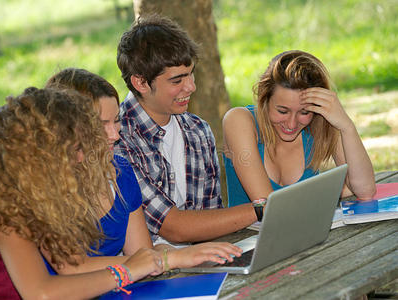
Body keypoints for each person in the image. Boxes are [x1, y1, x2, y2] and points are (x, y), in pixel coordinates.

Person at [0, 87, 239, 299]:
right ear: (40, 155)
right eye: (75, 149)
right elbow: (41, 292)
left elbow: (70, 263)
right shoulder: (5, 206)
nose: (81, 158)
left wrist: (161, 260)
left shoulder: (37, 191)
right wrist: (128, 271)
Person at [43, 67, 241, 274]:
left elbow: (141, 252)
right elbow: (71, 267)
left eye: (116, 120)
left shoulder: (120, 172)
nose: (114, 135)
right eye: (100, 125)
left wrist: (170, 255)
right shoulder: (44, 185)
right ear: (65, 128)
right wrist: (167, 259)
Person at [115, 14, 259, 245]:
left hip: (201, 261)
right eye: (177, 81)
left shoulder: (197, 130)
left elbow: (212, 219)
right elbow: (174, 228)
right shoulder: (117, 139)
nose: (191, 86)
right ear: (140, 83)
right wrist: (263, 209)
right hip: (147, 272)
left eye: (191, 74)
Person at [223, 50, 376, 208]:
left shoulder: (318, 122)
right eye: (282, 111)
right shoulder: (239, 120)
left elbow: (365, 191)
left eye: (304, 112)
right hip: (247, 233)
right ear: (264, 98)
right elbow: (270, 208)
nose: (291, 124)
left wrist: (346, 126)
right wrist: (324, 193)